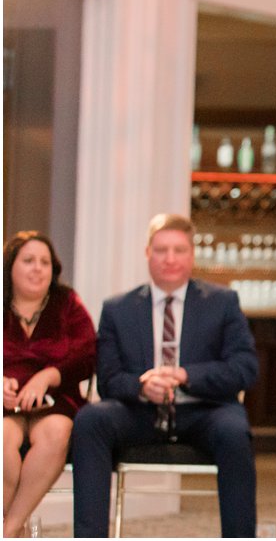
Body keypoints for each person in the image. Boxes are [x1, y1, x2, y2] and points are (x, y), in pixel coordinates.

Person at [72, 213, 259, 538]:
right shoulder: (118, 309)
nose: (169, 259)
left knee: (234, 430)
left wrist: (186, 375)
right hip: (138, 411)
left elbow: (245, 368)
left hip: (205, 410)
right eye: (161, 250)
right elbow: (109, 378)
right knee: (91, 419)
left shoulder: (223, 303)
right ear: (148, 253)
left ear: (191, 254)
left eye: (178, 250)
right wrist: (142, 386)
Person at [3, 232, 96, 539]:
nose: (37, 268)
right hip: (5, 404)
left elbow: (87, 353)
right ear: (10, 266)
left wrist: (48, 376)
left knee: (57, 432)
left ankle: (12, 525)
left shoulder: (67, 302)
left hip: (56, 401)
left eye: (45, 262)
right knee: (2, 442)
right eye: (28, 261)